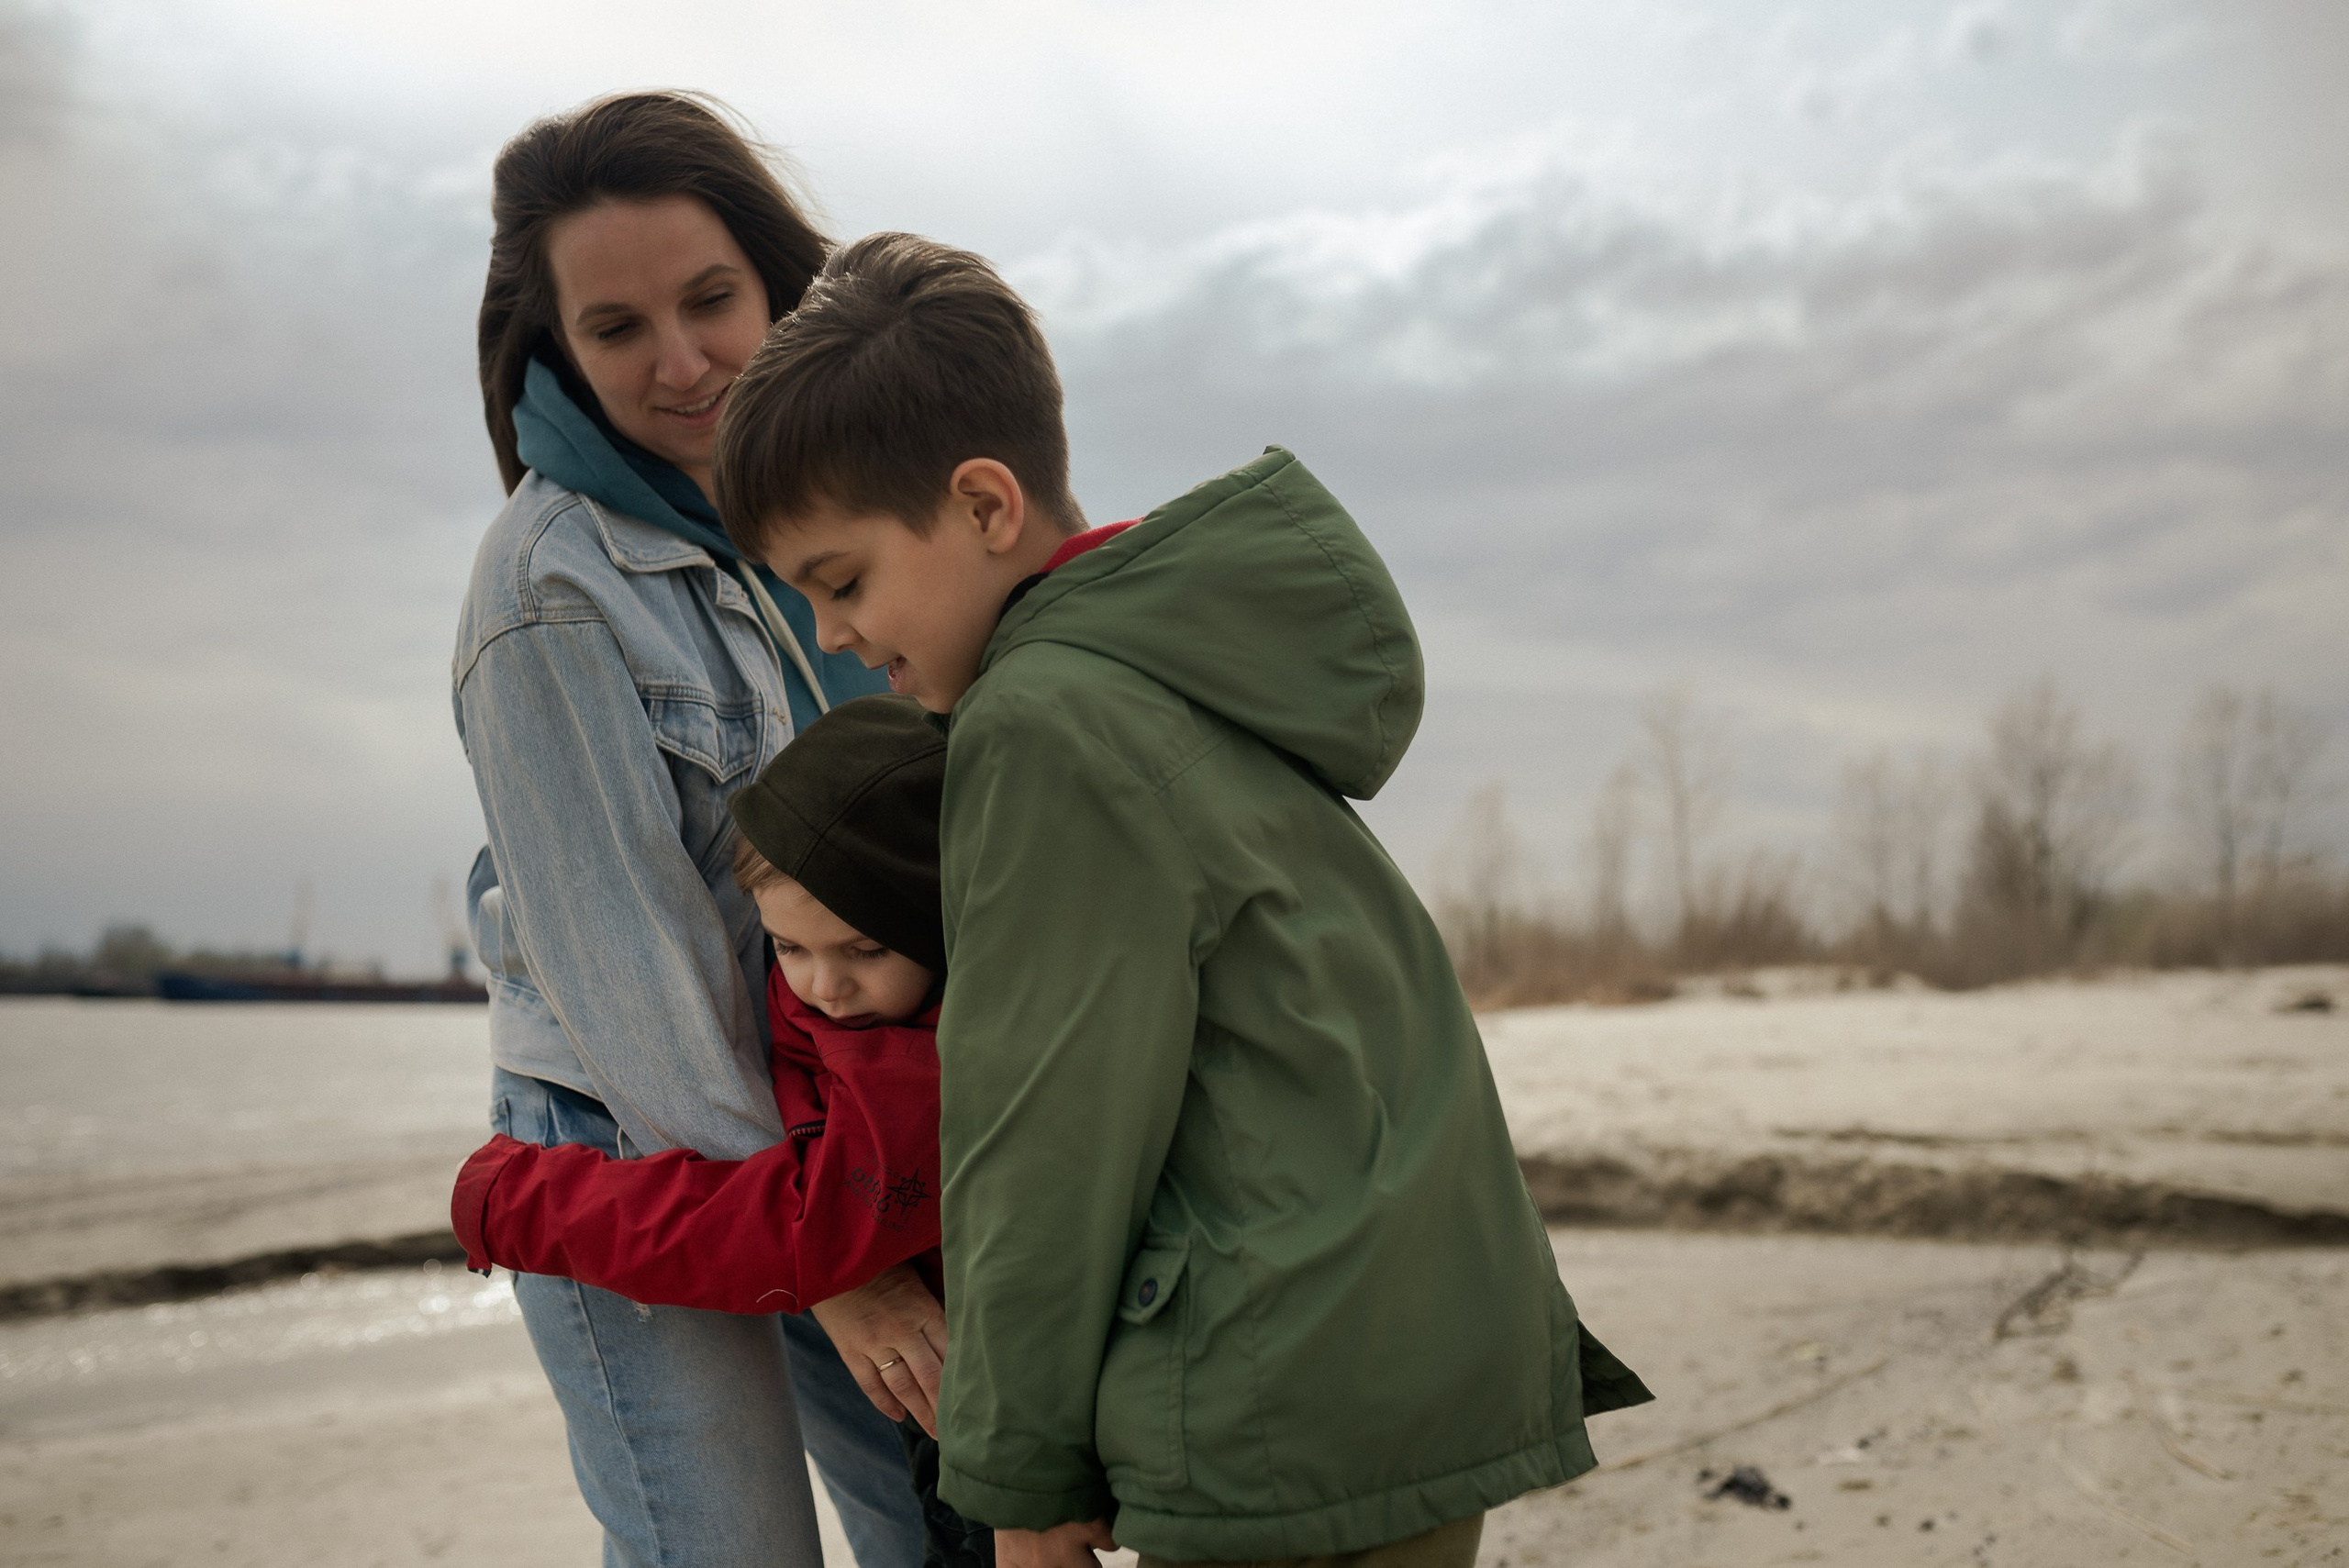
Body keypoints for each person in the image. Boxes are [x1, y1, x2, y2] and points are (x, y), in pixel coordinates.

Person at [710, 232, 1655, 1568]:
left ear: (985, 507)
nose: (833, 639)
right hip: (1416, 1334)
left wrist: (1021, 1484)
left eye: (844, 580)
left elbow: (1048, 1127)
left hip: (1278, 1387)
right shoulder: (1187, 671)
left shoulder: (1042, 725)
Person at [452, 92, 932, 1568]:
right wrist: (829, 1259)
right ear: (556, 350)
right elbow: (633, 984)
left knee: (946, 1522)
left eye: (711, 299)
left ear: (775, 278)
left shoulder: (859, 498)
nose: (681, 363)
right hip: (643, 1143)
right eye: (616, 330)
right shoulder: (547, 594)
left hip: (840, 1113)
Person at [452, 694, 993, 1568]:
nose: (824, 984)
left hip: (986, 1416)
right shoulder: (868, 1007)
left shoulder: (921, 1076)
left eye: (863, 951)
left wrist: (519, 1199)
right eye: (787, 947)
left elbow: (776, 1229)